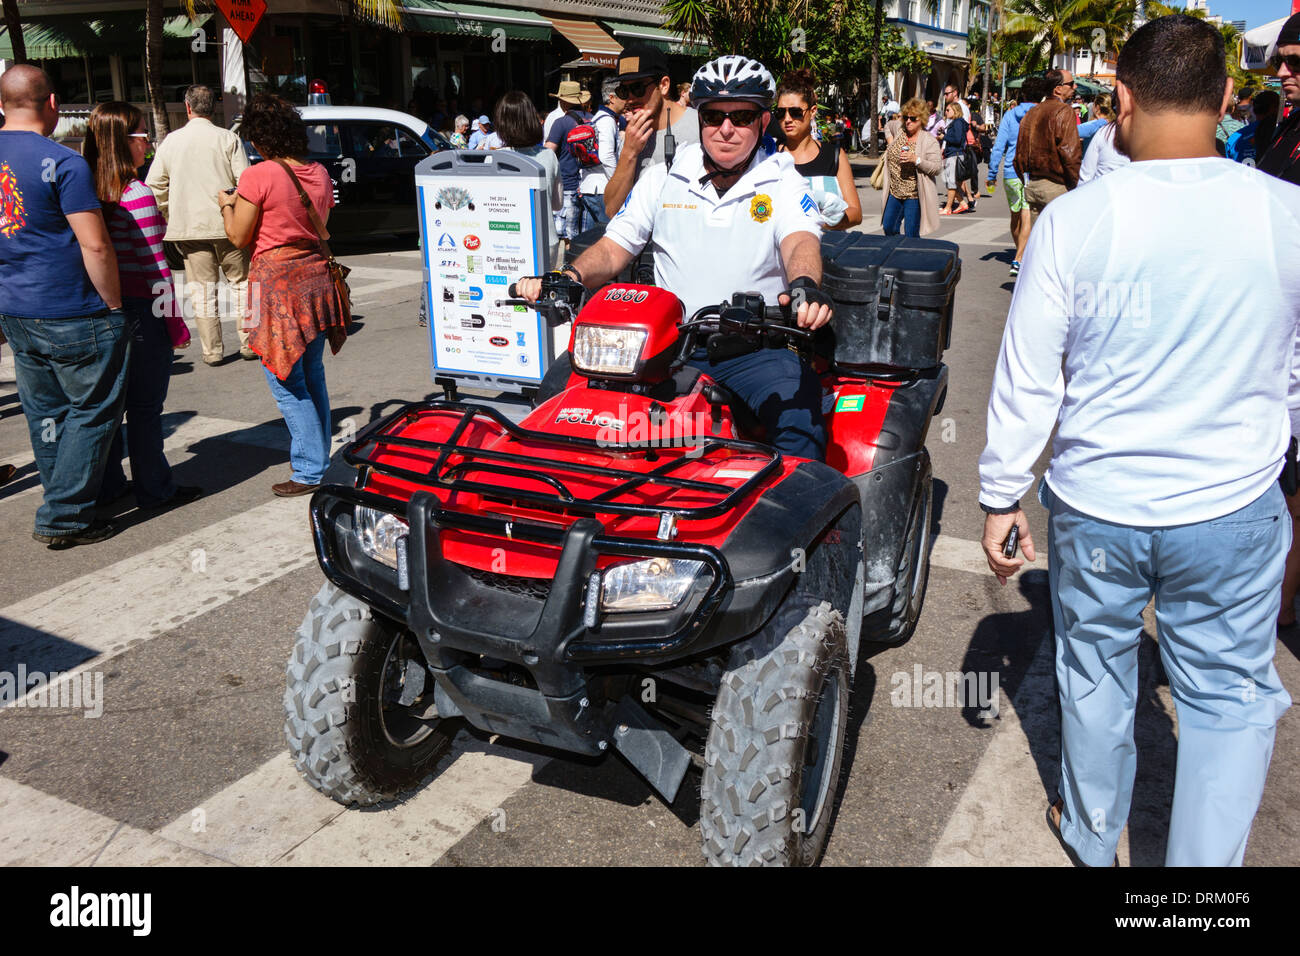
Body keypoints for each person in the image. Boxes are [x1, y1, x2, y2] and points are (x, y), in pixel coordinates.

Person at [978, 15, 1297, 868]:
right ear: (1229, 99)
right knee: (1229, 698)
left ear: (1118, 98)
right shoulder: (1285, 213)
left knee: (1095, 678)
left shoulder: (1077, 221)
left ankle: (1088, 833)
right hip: (1232, 505)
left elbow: (1029, 373)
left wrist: (1001, 493)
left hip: (1097, 504)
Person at [518, 55, 831, 460]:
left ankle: (798, 515)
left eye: (742, 116)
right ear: (699, 118)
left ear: (763, 121)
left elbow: (800, 242)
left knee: (798, 416)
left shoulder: (783, 179)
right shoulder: (667, 173)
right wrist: (570, 275)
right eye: (714, 116)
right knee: (557, 391)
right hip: (665, 344)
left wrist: (805, 286)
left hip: (751, 351)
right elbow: (616, 244)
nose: (726, 129)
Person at [0, 65, 129, 548]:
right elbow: (95, 246)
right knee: (91, 412)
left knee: (45, 413)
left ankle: (66, 501)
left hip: (16, 306)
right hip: (71, 308)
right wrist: (114, 305)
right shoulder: (64, 163)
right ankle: (66, 513)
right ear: (52, 104)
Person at [217, 94, 347, 497]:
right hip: (314, 280)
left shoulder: (259, 175)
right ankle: (317, 460)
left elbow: (238, 236)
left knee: (286, 380)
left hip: (274, 284)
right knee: (312, 375)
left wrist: (226, 205)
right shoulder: (320, 173)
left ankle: (310, 469)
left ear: (258, 139)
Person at [83, 102, 202, 514]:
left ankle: (110, 484)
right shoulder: (137, 194)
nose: (147, 141)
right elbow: (157, 269)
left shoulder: (86, 189)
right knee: (146, 409)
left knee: (110, 406)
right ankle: (155, 488)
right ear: (121, 141)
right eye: (141, 134)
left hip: (99, 309)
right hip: (142, 310)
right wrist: (176, 324)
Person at [146, 84, 251, 366]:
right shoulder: (228, 139)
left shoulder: (171, 142)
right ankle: (250, 343)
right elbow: (247, 183)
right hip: (228, 225)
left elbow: (154, 186)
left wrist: (171, 212)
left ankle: (213, 351)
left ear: (188, 107)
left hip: (190, 228)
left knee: (203, 290)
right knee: (243, 284)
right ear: (213, 107)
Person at [601, 43, 700, 219]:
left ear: (663, 85)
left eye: (637, 88)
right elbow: (611, 210)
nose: (630, 99)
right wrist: (629, 153)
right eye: (623, 91)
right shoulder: (633, 135)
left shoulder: (700, 127)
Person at [773, 69, 862, 231]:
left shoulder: (834, 155)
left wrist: (819, 223)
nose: (787, 119)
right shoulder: (770, 156)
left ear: (812, 111)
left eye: (795, 112)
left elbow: (855, 213)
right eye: (780, 112)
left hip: (829, 250)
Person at [494, 91, 561, 271]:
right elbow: (557, 204)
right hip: (546, 241)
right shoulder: (549, 156)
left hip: (505, 244)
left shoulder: (494, 160)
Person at [1014, 68, 1082, 226]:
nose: (1074, 87)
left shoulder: (1032, 112)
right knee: (1059, 242)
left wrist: (1027, 179)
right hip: (1056, 186)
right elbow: (1070, 154)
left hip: (1033, 184)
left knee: (1040, 240)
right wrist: (1075, 185)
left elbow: (1019, 155)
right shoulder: (1064, 111)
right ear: (1058, 89)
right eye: (1071, 84)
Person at [986, 79, 1039, 276]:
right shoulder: (1041, 113)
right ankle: (1019, 258)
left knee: (1015, 215)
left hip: (1010, 172)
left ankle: (1020, 254)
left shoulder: (1010, 115)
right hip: (1031, 171)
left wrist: (992, 173)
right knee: (1027, 214)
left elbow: (998, 147)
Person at [880, 98, 942, 237]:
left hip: (913, 195)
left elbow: (937, 168)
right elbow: (888, 126)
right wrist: (890, 143)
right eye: (906, 117)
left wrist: (916, 160)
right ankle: (898, 250)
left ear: (922, 120)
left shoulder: (928, 140)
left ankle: (911, 255)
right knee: (888, 227)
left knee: (911, 234)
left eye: (913, 118)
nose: (908, 121)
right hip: (895, 191)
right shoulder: (900, 129)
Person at [544, 82, 593, 247]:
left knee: (566, 235)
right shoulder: (592, 120)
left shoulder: (560, 123)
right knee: (584, 233)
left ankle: (567, 267)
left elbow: (548, 152)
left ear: (563, 102)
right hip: (588, 184)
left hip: (567, 184)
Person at [578, 77, 625, 230]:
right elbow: (606, 156)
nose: (627, 99)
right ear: (611, 98)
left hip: (590, 187)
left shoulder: (598, 118)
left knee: (589, 238)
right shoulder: (607, 121)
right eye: (623, 94)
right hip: (602, 190)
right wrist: (617, 184)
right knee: (606, 235)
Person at [939, 103, 970, 216]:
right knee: (949, 181)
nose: (946, 112)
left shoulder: (957, 122)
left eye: (948, 110)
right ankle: (962, 203)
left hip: (954, 155)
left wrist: (945, 137)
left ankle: (948, 208)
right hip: (952, 154)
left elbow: (957, 139)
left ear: (955, 110)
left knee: (951, 182)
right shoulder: (956, 122)